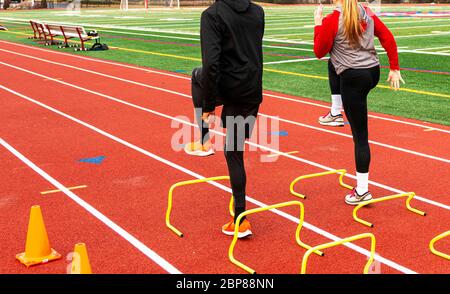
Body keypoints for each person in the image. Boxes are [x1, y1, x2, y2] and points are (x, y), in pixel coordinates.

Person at [184, 0, 265, 238]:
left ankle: (203, 140)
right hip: (251, 88)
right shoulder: (258, 12)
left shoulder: (211, 15)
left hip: (227, 87)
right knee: (234, 151)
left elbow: (211, 65)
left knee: (197, 74)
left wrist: (208, 107)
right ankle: (240, 220)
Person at [313, 0, 404, 205]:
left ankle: (362, 190)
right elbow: (387, 36)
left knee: (361, 138)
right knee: (333, 62)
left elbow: (319, 51)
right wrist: (394, 68)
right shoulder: (367, 11)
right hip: (372, 72)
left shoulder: (332, 19)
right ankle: (335, 112)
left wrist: (317, 24)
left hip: (354, 78)